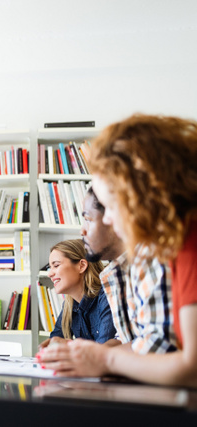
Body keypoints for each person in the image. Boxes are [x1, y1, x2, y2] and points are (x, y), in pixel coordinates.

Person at [38, 113, 197, 387]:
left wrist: (105, 360)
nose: (108, 219)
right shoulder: (175, 244)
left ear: (144, 192)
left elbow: (189, 367)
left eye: (112, 205)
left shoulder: (187, 245)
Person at [81, 186, 176, 354]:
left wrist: (102, 359)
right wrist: (82, 353)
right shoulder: (118, 271)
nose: (82, 231)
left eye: (88, 219)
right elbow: (129, 338)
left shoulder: (151, 259)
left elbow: (157, 348)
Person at [40, 239, 115, 346]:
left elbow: (103, 350)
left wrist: (71, 346)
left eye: (56, 265)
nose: (50, 274)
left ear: (82, 266)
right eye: (49, 268)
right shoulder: (69, 305)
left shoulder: (107, 296)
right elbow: (52, 345)